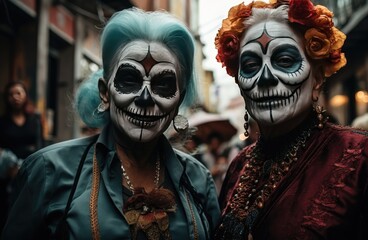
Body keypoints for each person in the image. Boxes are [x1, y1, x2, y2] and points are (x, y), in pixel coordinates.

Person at [213, 0, 368, 239]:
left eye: (284, 61)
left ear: (316, 78)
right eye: (251, 65)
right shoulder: (239, 166)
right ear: (240, 85)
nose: (265, 78)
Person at [2, 8, 220, 239]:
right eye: (129, 80)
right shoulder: (49, 171)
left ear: (178, 100)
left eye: (163, 85)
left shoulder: (197, 180)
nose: (145, 99)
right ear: (105, 93)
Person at [0, 80, 44, 233]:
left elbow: (41, 147)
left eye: (18, 93)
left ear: (25, 95)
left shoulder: (35, 120)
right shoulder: (2, 122)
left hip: (30, 172)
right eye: (11, 94)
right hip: (7, 176)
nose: (15, 97)